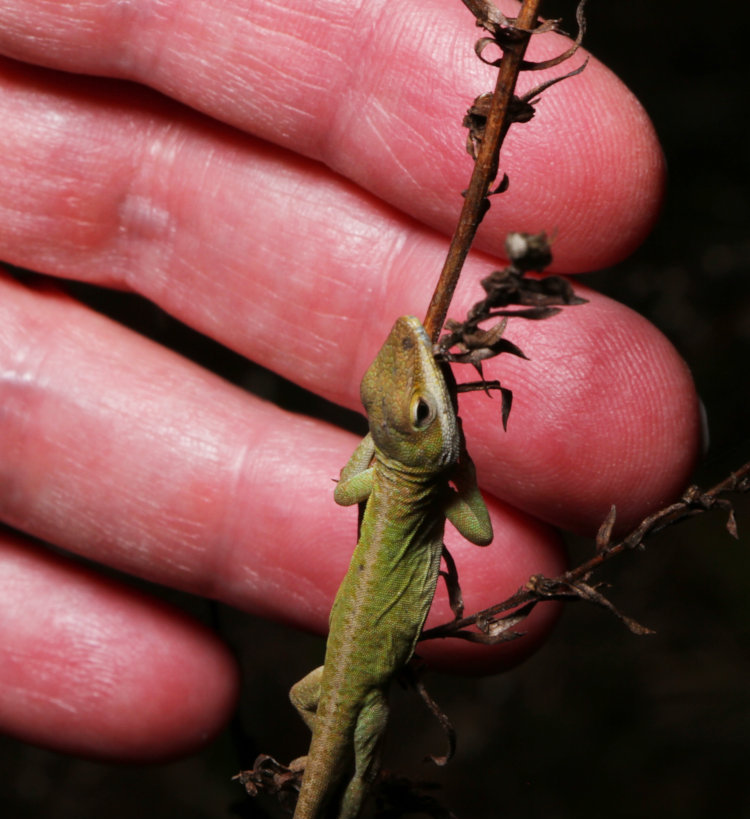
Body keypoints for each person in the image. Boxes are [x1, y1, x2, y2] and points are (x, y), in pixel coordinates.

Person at [0, 0, 701, 761]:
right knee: (352, 744)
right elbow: (474, 527)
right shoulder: (420, 477)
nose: (416, 349)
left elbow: (360, 492)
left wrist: (419, 451)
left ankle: (327, 774)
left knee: (331, 723)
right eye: (428, 411)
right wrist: (448, 465)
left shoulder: (394, 473)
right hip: (352, 679)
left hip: (338, 675)